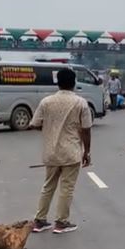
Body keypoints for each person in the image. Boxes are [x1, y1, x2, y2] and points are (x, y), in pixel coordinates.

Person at [29, 68, 91, 234]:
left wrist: (50, 130)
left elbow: (34, 124)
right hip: (71, 152)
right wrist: (87, 152)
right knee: (66, 188)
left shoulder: (46, 102)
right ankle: (61, 222)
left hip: (51, 152)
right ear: (74, 83)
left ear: (58, 83)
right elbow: (86, 129)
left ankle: (39, 220)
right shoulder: (80, 103)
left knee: (48, 186)